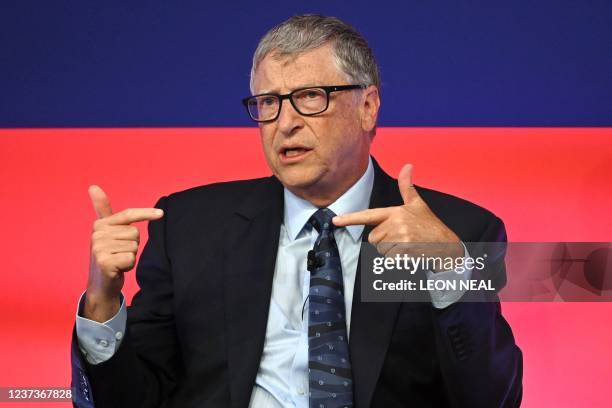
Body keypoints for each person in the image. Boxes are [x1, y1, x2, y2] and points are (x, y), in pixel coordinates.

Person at [71, 14, 522, 408]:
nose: (285, 123)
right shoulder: (188, 228)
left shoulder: (458, 231)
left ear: (367, 107)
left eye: (310, 96)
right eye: (268, 103)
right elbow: (133, 399)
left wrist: (451, 273)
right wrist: (102, 303)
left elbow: (490, 399)